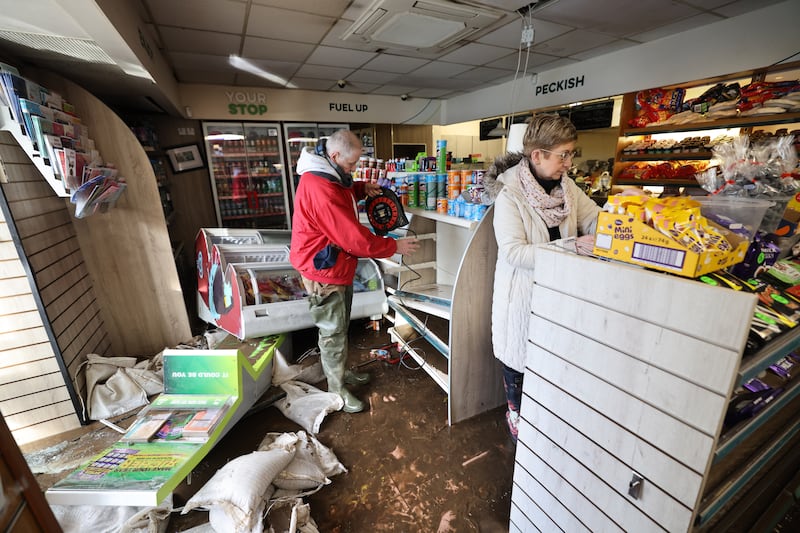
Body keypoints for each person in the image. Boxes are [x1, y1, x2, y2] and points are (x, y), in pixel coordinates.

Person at [483, 114, 601, 441]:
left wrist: (624, 220)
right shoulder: (510, 195)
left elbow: (595, 219)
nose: (569, 162)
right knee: (518, 363)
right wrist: (572, 246)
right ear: (537, 156)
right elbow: (515, 253)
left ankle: (543, 414)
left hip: (559, 294)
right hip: (522, 297)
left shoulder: (568, 189)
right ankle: (516, 414)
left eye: (571, 154)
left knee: (550, 361)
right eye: (563, 154)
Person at [290, 129, 420, 413]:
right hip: (323, 269)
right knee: (333, 332)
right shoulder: (320, 188)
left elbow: (343, 187)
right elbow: (353, 238)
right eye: (351, 165)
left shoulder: (328, 171)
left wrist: (360, 187)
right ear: (335, 156)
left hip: (334, 264)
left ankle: (340, 373)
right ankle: (336, 388)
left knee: (338, 327)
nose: (354, 169)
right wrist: (392, 246)